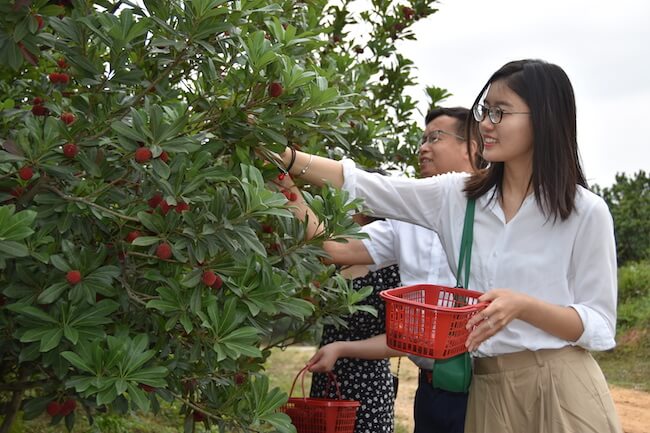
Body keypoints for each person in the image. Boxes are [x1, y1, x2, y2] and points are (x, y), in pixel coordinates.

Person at [274, 59, 622, 433]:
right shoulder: (457, 197)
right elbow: (368, 186)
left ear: (544, 118)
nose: (486, 123)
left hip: (561, 384)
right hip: (486, 389)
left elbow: (600, 324)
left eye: (500, 113)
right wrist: (288, 158)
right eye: (484, 110)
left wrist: (524, 306)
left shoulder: (584, 211)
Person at [280, 107, 477, 433]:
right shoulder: (406, 224)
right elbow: (331, 249)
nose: (423, 147)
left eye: (435, 137)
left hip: (484, 386)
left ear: (472, 147)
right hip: (433, 388)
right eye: (422, 139)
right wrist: (281, 181)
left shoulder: (495, 209)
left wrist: (287, 157)